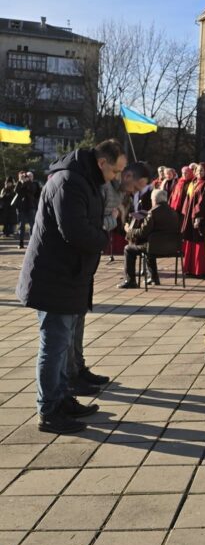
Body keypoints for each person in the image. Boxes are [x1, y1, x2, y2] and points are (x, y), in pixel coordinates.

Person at [16, 139, 127, 434]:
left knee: (62, 343)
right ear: (102, 162)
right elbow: (75, 231)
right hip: (54, 276)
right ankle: (49, 411)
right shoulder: (69, 181)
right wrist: (105, 238)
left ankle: (62, 398)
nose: (116, 177)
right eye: (115, 171)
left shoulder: (84, 179)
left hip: (68, 275)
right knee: (53, 346)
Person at [119, 187, 181, 288]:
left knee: (128, 249)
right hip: (173, 247)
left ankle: (130, 281)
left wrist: (129, 230)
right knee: (149, 244)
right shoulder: (174, 212)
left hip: (155, 247)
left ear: (154, 200)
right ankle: (153, 278)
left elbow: (143, 233)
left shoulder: (152, 213)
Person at [181, 162, 205, 277]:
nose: (199, 173)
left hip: (200, 217)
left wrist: (198, 216)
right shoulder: (194, 182)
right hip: (190, 216)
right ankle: (190, 269)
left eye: (202, 171)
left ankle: (201, 270)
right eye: (198, 171)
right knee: (191, 241)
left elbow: (203, 202)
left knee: (200, 242)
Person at [13, 170, 40, 249]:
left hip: (31, 207)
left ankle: (32, 243)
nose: (28, 177)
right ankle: (20, 243)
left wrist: (27, 182)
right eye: (27, 176)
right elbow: (16, 191)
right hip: (21, 207)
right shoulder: (20, 183)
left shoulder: (34, 184)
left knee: (32, 225)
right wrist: (20, 181)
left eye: (30, 176)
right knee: (21, 226)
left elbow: (33, 191)